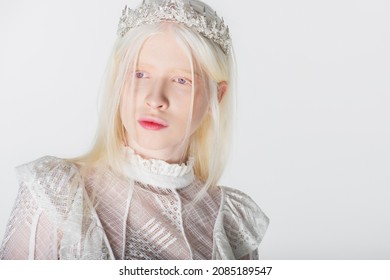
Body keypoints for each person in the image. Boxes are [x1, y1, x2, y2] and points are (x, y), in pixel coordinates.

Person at [0, 0, 269, 260]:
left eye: (181, 80)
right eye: (140, 74)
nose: (155, 99)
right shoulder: (57, 194)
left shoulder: (230, 222)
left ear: (216, 97)